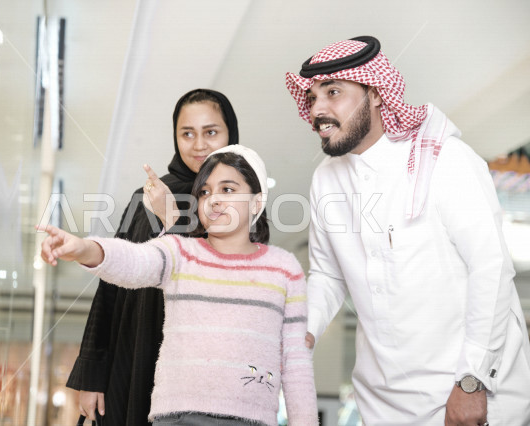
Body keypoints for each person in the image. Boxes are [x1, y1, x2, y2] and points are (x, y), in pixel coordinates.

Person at [285, 36, 530, 425]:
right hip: (382, 403)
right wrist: (305, 332)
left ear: (376, 93)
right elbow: (328, 275)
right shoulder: (325, 180)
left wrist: (472, 381)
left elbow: (491, 268)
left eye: (333, 92)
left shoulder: (446, 159)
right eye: (312, 97)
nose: (319, 110)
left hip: (470, 391)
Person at [40, 145, 319, 425]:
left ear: (257, 202)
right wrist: (83, 248)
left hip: (251, 419)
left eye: (228, 189)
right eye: (206, 192)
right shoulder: (180, 253)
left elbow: (296, 364)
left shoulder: (284, 269)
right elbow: (131, 260)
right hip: (177, 417)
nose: (214, 200)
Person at [66, 89, 239, 424]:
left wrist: (171, 217)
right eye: (187, 133)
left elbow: (224, 278)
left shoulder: (244, 201)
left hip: (202, 366)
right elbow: (110, 289)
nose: (199, 145)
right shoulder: (147, 195)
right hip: (135, 346)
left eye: (211, 132)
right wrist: (92, 377)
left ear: (230, 133)